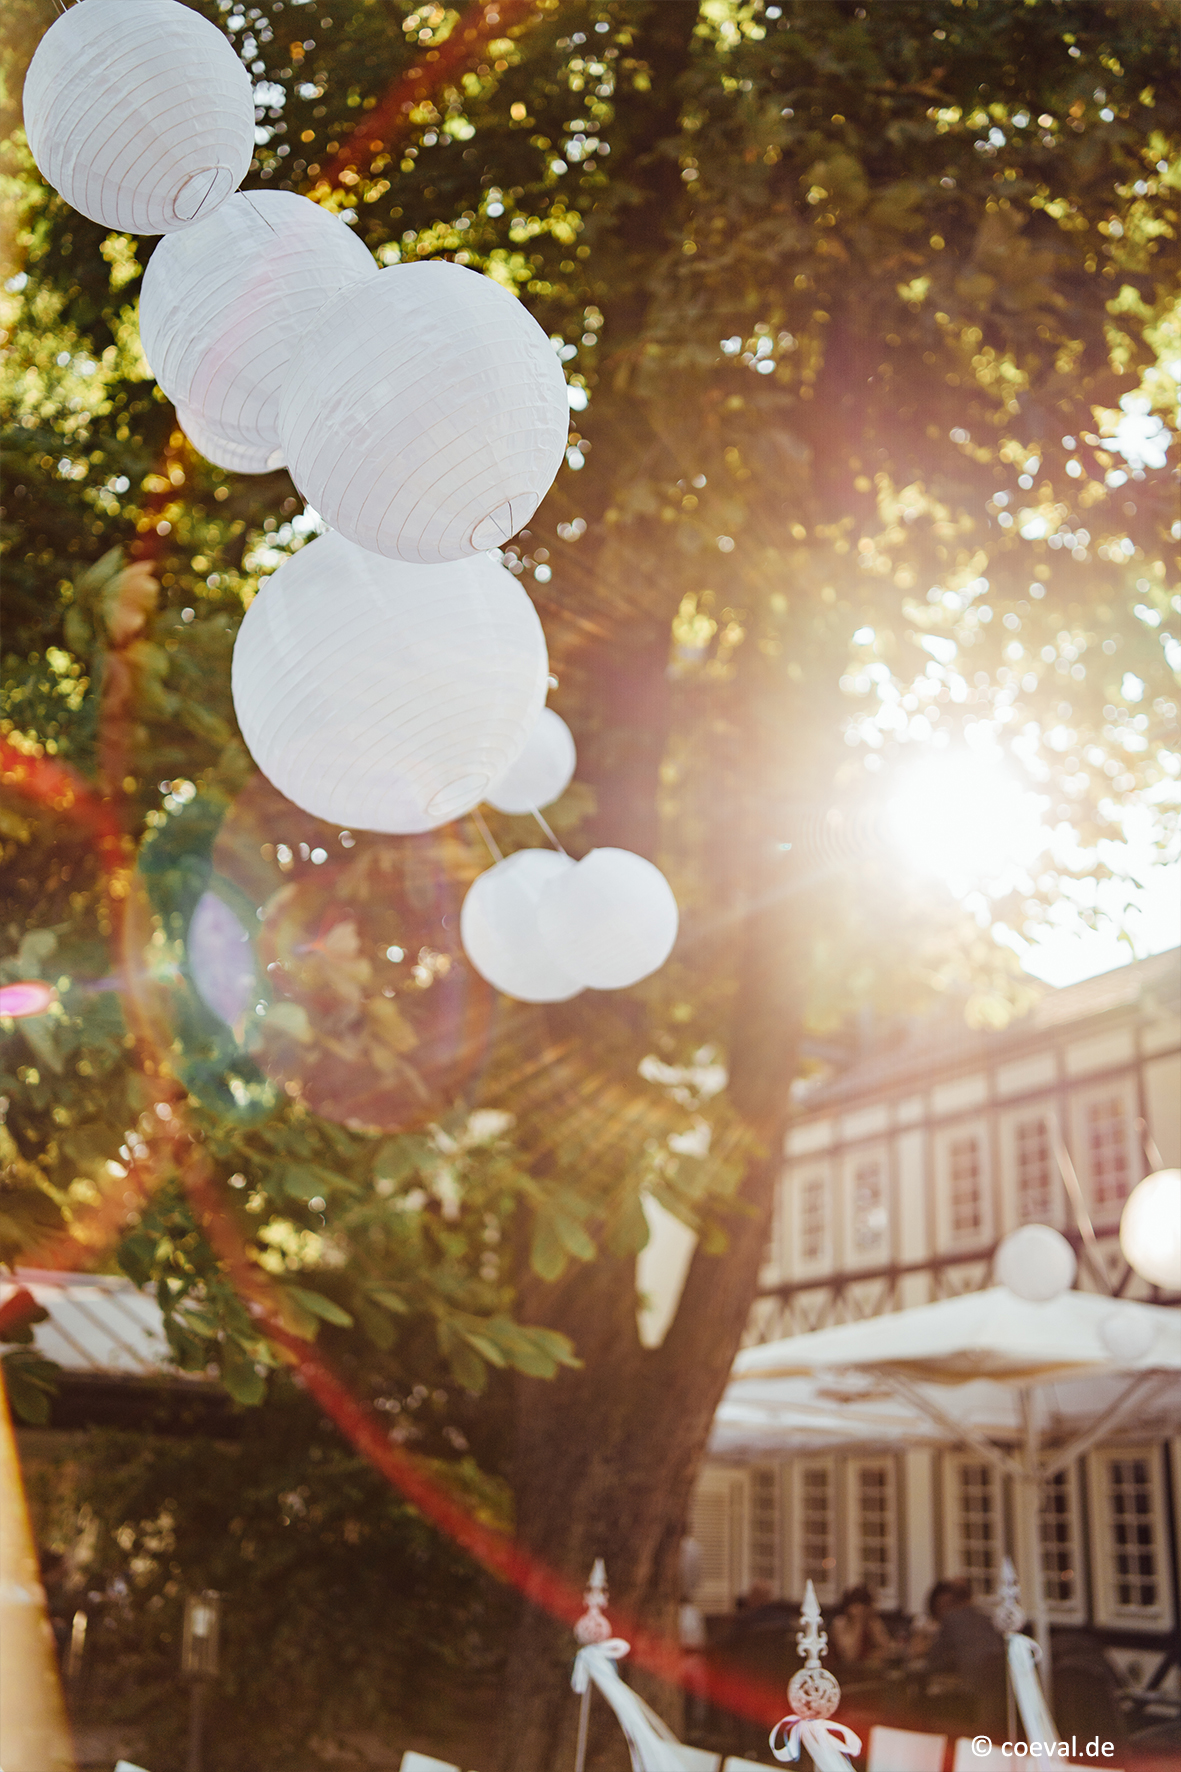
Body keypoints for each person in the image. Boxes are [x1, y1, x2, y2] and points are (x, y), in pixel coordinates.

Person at [921, 1578, 1007, 1739]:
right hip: (999, 1684)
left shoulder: (950, 1620)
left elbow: (935, 1661)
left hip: (969, 1687)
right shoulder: (986, 1618)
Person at [829, 1585, 897, 1671]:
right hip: (841, 1670)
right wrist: (858, 1625)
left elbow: (887, 1649)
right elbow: (849, 1656)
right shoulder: (839, 1623)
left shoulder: (872, 1622)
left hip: (865, 1671)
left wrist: (874, 1654)